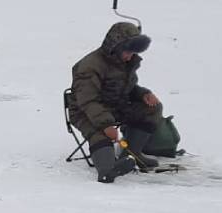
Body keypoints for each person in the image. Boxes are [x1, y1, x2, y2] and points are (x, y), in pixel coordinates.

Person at [68, 22, 163, 183]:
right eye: (127, 51)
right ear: (115, 46)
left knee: (152, 109)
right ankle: (106, 170)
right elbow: (88, 101)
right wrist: (106, 124)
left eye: (133, 52)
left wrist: (143, 94)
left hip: (114, 106)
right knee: (99, 132)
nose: (130, 57)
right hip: (84, 111)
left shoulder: (124, 63)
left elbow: (128, 88)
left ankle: (132, 155)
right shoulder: (90, 66)